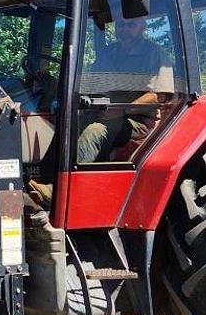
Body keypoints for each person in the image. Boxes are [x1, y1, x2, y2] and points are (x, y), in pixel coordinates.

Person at [28, 14, 173, 209]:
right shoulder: (109, 53)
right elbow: (91, 83)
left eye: (131, 23)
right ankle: (40, 178)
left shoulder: (154, 53)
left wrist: (122, 110)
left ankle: (57, 193)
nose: (125, 27)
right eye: (121, 24)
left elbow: (160, 95)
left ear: (143, 26)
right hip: (104, 111)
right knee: (66, 121)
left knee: (96, 131)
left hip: (137, 120)